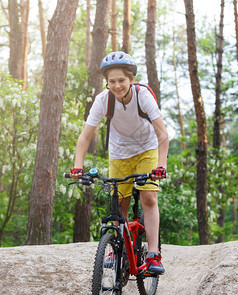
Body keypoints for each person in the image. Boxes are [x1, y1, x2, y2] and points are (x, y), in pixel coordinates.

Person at [69, 51, 169, 275]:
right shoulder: (103, 100)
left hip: (147, 149)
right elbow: (86, 136)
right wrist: (78, 166)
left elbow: (163, 135)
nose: (117, 86)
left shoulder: (143, 96)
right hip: (119, 152)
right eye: (112, 81)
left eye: (121, 80)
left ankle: (153, 254)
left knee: (148, 196)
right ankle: (117, 250)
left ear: (131, 80)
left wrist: (161, 165)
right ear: (107, 82)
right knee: (119, 202)